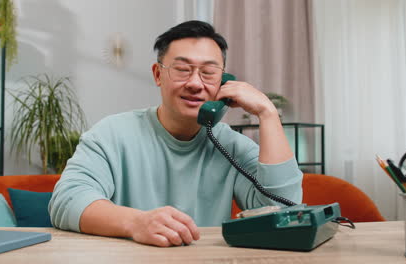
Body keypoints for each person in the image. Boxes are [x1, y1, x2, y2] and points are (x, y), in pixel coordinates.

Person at [49, 20, 302, 247]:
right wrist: (136, 223)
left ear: (223, 82)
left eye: (208, 72)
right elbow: (67, 202)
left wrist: (267, 113)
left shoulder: (231, 145)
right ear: (158, 74)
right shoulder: (111, 134)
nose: (194, 83)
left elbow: (282, 214)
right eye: (182, 69)